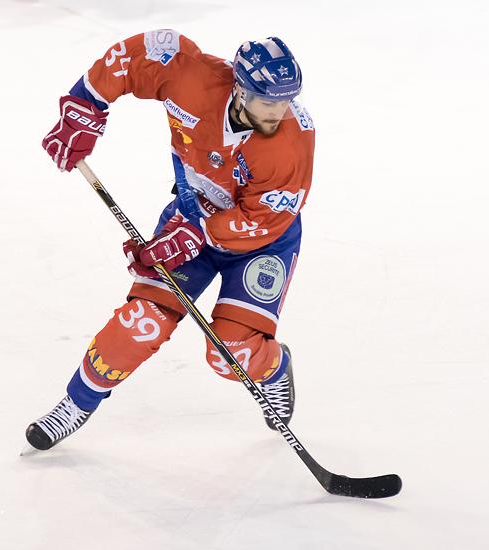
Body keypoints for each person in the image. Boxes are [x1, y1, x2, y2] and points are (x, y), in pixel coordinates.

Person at [25, 30, 315, 451]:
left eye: (286, 101)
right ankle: (75, 405)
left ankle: (274, 368)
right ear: (240, 89)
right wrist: (85, 105)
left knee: (229, 353)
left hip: (262, 244)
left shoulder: (291, 142)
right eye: (268, 102)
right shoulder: (192, 78)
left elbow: (265, 220)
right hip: (191, 217)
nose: (279, 112)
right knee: (139, 323)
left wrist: (193, 237)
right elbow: (133, 56)